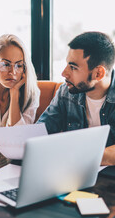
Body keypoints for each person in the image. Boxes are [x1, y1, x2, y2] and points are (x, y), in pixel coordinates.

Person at [37, 31, 115, 166]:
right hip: (71, 173)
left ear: (98, 73)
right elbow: (41, 131)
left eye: (73, 67)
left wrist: (79, 156)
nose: (64, 73)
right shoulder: (65, 92)